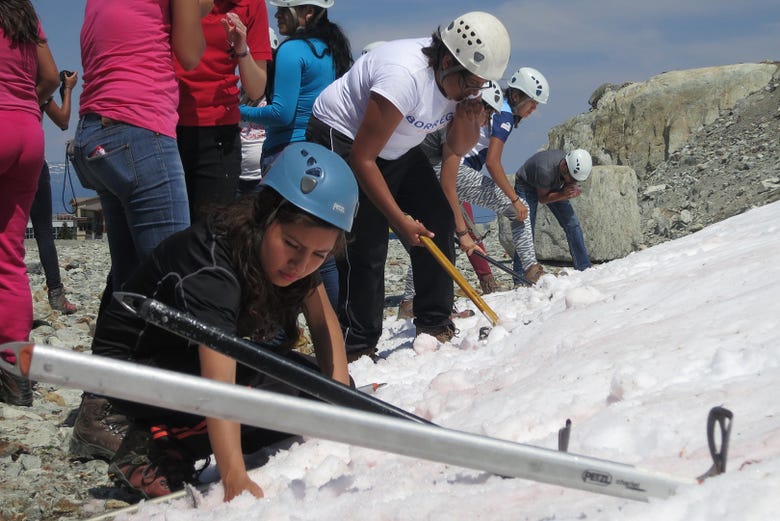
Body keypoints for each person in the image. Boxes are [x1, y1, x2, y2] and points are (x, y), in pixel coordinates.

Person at [94, 142, 357, 501]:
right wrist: (233, 475)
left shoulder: (293, 256)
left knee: (320, 390)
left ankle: (170, 432)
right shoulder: (213, 267)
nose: (301, 265)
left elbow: (322, 319)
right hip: (128, 374)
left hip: (183, 359)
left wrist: (339, 396)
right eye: (292, 245)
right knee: (280, 396)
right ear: (265, 216)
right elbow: (219, 382)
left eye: (319, 255)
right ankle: (147, 437)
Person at [306, 11, 511, 360]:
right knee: (366, 242)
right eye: (470, 85)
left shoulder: (461, 88)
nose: (472, 93)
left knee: (439, 218)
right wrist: (399, 220)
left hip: (396, 146)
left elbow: (459, 148)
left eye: (479, 86)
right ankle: (358, 343)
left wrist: (468, 113)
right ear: (447, 61)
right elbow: (363, 159)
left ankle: (434, 321)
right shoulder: (404, 77)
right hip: (344, 138)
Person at [68, 0, 208, 461]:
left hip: (98, 133)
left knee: (132, 282)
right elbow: (190, 54)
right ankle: (162, 423)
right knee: (175, 283)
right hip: (141, 130)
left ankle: (103, 407)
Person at [239, 0, 352, 309]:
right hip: (326, 154)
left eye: (284, 8)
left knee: (278, 243)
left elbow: (281, 113)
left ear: (308, 13)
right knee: (319, 249)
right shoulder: (332, 50)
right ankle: (334, 327)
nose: (276, 15)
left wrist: (234, 111)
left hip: (287, 156)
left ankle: (274, 332)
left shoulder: (292, 50)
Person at [0, 0, 59, 407]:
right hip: (27, 131)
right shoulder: (24, 11)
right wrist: (23, 103)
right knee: (10, 254)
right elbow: (51, 77)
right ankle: (15, 375)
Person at [176, 1, 272, 219]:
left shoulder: (251, 4)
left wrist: (242, 49)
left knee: (209, 232)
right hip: (164, 121)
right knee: (167, 234)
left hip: (218, 130)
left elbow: (256, 89)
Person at [33, 70, 79, 315]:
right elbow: (63, 121)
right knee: (43, 232)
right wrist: (68, 89)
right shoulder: (37, 88)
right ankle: (56, 294)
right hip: (32, 157)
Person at [514, 148, 593, 278]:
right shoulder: (545, 170)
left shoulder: (567, 164)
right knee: (526, 232)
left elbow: (556, 189)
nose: (574, 183)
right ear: (564, 167)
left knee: (572, 224)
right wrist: (563, 194)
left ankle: (583, 267)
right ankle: (520, 276)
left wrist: (567, 191)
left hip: (551, 184)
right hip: (526, 185)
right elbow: (543, 199)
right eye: (572, 179)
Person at [236, 27, 279, 195]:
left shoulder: (277, 93)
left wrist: (242, 111)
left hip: (265, 177)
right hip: (238, 177)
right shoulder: (239, 93)